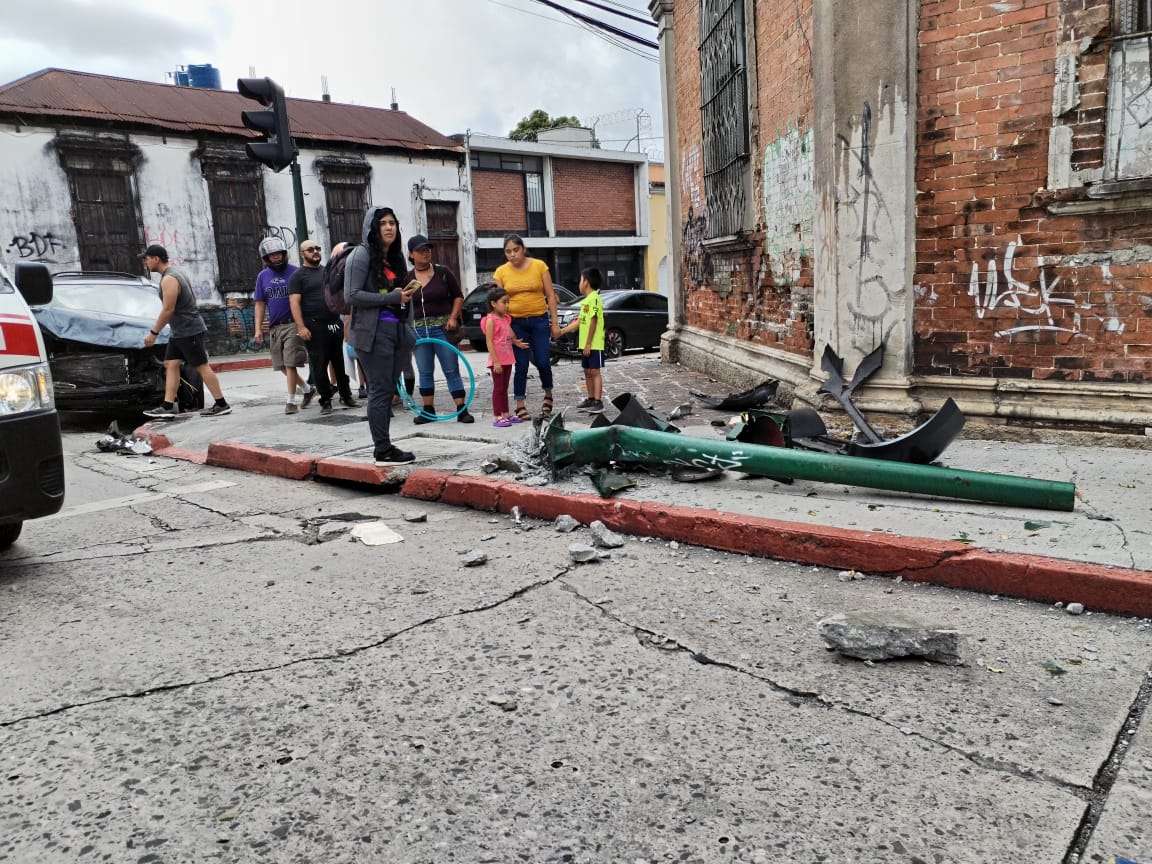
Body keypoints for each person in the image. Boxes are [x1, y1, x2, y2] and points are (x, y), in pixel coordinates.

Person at [344, 206, 419, 465]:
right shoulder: (361, 255)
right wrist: (392, 296)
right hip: (373, 334)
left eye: (392, 223)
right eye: (383, 223)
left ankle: (386, 447)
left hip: (397, 332)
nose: (389, 227)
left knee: (387, 391)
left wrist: (408, 327)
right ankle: (382, 450)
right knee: (379, 390)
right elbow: (351, 295)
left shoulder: (395, 257)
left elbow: (401, 298)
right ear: (372, 228)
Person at [139, 244, 232, 419]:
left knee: (202, 366)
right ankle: (168, 406)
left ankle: (221, 404)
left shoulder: (170, 279)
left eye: (146, 258)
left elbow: (168, 309)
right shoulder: (173, 274)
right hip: (180, 331)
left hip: (189, 330)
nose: (145, 262)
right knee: (171, 364)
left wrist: (154, 332)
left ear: (156, 259)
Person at [405, 234, 474, 425]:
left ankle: (462, 409)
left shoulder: (443, 273)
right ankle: (428, 411)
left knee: (451, 369)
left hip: (443, 329)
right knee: (425, 370)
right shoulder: (407, 278)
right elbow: (401, 304)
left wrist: (453, 317)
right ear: (411, 254)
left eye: (428, 249)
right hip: (419, 332)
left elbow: (458, 297)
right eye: (421, 250)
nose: (426, 253)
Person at [492, 234, 560, 422]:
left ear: (523, 249)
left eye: (516, 250)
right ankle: (520, 404)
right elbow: (499, 302)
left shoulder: (539, 266)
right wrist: (503, 327)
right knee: (520, 364)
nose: (512, 254)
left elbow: (551, 295)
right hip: (516, 323)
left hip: (539, 320)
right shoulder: (501, 272)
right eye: (508, 251)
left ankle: (548, 394)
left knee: (543, 361)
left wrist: (554, 323)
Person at [288, 240, 356, 416]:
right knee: (319, 364)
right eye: (310, 250)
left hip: (334, 322)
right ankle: (325, 400)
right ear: (302, 253)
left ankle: (346, 395)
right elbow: (294, 303)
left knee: (339, 362)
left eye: (317, 248)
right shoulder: (298, 276)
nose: (315, 252)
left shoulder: (328, 271)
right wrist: (301, 326)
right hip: (313, 325)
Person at [253, 236, 314, 414]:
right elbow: (259, 303)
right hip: (275, 327)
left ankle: (290, 402)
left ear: (284, 254)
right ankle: (308, 389)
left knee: (290, 363)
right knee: (280, 365)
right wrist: (258, 329)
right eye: (272, 255)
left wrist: (304, 324)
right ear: (266, 258)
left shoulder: (296, 272)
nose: (276, 257)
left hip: (293, 324)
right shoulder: (262, 277)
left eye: (279, 254)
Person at [559, 267, 606, 413]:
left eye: (580, 279)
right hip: (586, 343)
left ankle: (598, 402)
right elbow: (580, 321)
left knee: (594, 371)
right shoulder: (586, 301)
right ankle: (591, 399)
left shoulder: (595, 298)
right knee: (587, 371)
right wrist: (561, 331)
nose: (579, 283)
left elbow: (593, 321)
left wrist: (588, 344)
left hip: (594, 343)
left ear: (586, 282)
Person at [481, 286, 528, 428]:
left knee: (505, 388)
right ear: (493, 304)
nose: (507, 305)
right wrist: (496, 362)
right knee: (498, 388)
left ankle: (506, 414)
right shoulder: (490, 320)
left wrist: (516, 342)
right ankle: (497, 416)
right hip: (497, 360)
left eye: (508, 302)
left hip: (507, 358)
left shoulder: (506, 318)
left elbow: (509, 332)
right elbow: (489, 341)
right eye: (504, 302)